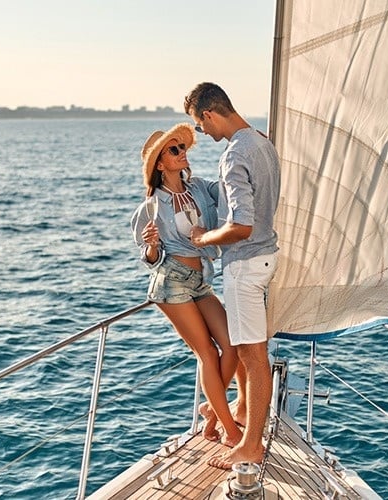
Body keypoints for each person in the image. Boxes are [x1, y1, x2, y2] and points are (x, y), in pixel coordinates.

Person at [184, 82, 280, 469]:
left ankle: (251, 446)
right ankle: (241, 409)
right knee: (247, 350)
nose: (202, 133)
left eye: (199, 124)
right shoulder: (262, 143)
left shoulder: (234, 153)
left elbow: (241, 225)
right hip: (266, 257)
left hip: (245, 263)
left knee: (254, 357)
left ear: (209, 113)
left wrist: (203, 237)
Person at [130, 123, 243, 447]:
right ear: (160, 164)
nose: (182, 153)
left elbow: (229, 189)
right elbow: (150, 259)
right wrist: (152, 245)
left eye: (182, 148)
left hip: (201, 282)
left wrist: (247, 146)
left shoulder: (199, 189)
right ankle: (230, 431)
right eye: (174, 150)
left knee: (233, 344)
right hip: (172, 283)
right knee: (207, 352)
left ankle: (212, 413)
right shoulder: (151, 208)